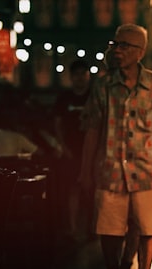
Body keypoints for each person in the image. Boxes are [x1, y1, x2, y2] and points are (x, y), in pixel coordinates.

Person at [79, 24, 152, 269]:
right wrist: (85, 171)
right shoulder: (102, 85)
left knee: (148, 230)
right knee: (108, 230)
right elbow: (92, 130)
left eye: (124, 46)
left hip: (149, 170)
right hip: (110, 169)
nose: (117, 50)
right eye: (115, 44)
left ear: (140, 52)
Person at [53, 59, 94, 240]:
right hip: (70, 151)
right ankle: (72, 227)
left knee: (91, 189)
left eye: (82, 74)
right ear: (71, 77)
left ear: (88, 75)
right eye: (76, 74)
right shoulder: (64, 98)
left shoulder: (94, 97)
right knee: (71, 190)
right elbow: (57, 125)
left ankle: (91, 228)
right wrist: (63, 146)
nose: (79, 78)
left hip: (91, 151)